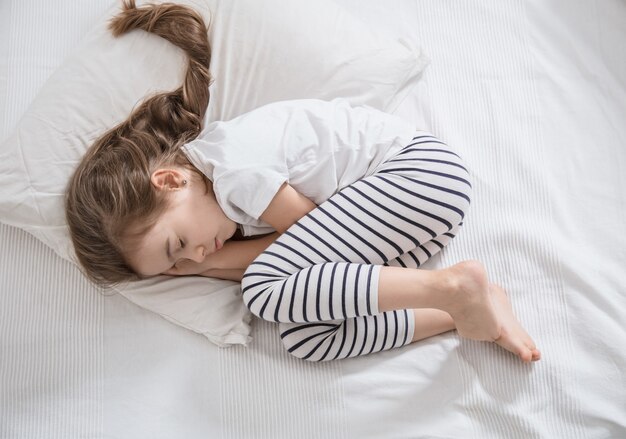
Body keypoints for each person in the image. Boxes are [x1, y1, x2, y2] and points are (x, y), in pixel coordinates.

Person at [66, 0, 541, 363]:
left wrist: (209, 268)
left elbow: (303, 232)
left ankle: (454, 286)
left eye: (178, 245)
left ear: (170, 181)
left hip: (416, 176)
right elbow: (306, 259)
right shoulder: (220, 203)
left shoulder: (233, 169)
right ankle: (465, 307)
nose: (194, 255)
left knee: (264, 291)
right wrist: (206, 265)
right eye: (176, 265)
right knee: (306, 334)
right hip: (416, 217)